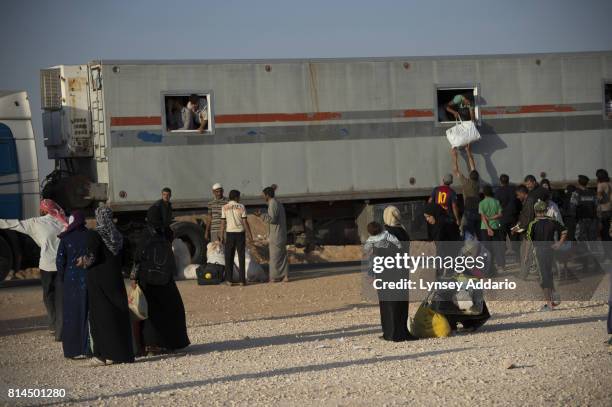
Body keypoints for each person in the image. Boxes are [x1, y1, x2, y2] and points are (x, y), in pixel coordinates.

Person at [0, 199, 67, 340]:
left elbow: (10, 224)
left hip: (47, 266)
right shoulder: (63, 221)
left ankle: (53, 326)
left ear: (42, 211)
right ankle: (62, 327)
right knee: (61, 297)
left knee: (49, 296)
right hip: (63, 265)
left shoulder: (35, 223)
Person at [131, 205, 190, 355]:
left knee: (150, 312)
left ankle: (151, 344)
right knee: (170, 310)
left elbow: (138, 257)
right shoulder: (166, 231)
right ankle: (169, 343)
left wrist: (134, 277)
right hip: (165, 278)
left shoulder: (146, 233)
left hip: (148, 279)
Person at [82, 207, 134, 365]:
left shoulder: (94, 234)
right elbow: (126, 261)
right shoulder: (117, 235)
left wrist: (82, 262)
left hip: (98, 281)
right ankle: (122, 354)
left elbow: (91, 258)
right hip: (116, 281)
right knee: (117, 315)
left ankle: (102, 355)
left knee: (100, 317)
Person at [364, 221, 414, 342]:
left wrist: (371, 273)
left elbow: (373, 256)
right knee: (399, 304)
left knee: (386, 303)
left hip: (384, 274)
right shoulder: (403, 232)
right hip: (400, 273)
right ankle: (401, 332)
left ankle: (389, 333)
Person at [56, 211, 91, 359]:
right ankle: (88, 348)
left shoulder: (65, 238)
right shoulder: (90, 235)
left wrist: (63, 277)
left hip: (70, 281)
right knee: (86, 311)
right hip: (87, 279)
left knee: (71, 313)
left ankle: (71, 350)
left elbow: (59, 261)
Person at [527, 200, 568, 311]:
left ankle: (549, 304)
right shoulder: (552, 221)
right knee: (549, 273)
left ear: (535, 211)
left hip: (539, 251)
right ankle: (554, 296)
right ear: (546, 210)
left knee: (543, 278)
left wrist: (528, 256)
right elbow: (564, 231)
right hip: (550, 250)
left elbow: (529, 241)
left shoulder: (533, 224)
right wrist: (559, 243)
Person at [220, 190, 253, 285]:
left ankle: (229, 280)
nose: (240, 198)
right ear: (236, 197)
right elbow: (245, 222)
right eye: (239, 196)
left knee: (228, 257)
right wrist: (250, 235)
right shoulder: (241, 206)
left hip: (229, 234)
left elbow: (223, 222)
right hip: (240, 234)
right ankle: (242, 280)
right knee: (241, 256)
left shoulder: (224, 207)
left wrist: (221, 235)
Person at [257, 186, 289, 283]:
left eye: (263, 195)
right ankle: (285, 276)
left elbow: (273, 219)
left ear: (267, 195)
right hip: (281, 233)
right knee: (282, 256)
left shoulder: (272, 204)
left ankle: (274, 277)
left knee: (274, 256)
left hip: (276, 234)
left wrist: (261, 216)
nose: (262, 197)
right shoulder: (278, 203)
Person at [423, 203, 461, 278]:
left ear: (434, 213)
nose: (427, 220)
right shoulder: (436, 224)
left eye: (429, 216)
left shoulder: (446, 224)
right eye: (426, 217)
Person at [451, 145, 480, 239]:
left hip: (468, 211)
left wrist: (454, 156)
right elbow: (472, 165)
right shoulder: (477, 183)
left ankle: (468, 248)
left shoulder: (466, 183)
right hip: (477, 210)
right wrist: (468, 151)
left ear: (470, 176)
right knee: (477, 231)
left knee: (464, 229)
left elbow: (456, 170)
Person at [478, 185, 503, 274]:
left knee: (487, 248)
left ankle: (488, 267)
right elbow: (500, 214)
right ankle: (500, 266)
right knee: (497, 247)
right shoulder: (496, 202)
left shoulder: (481, 203)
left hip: (485, 228)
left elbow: (483, 217)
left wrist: (488, 228)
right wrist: (492, 218)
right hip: (495, 226)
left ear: (484, 193)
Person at [495, 174, 520, 258]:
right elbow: (518, 203)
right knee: (515, 239)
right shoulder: (514, 190)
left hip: (502, 219)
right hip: (513, 218)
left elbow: (496, 206)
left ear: (500, 181)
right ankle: (519, 260)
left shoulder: (497, 192)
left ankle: (502, 264)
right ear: (508, 180)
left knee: (502, 241)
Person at [596, 169, 612, 261]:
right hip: (610, 210)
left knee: (604, 234)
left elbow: (599, 198)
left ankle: (607, 255)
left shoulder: (601, 185)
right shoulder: (610, 184)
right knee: (609, 232)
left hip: (603, 211)